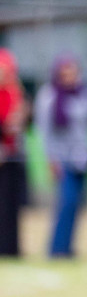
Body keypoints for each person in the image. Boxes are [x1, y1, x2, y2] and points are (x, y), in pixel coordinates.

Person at [36, 54, 87, 259]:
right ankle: (57, 249)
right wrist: (51, 159)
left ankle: (68, 247)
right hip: (61, 158)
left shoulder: (84, 93)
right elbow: (44, 132)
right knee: (65, 202)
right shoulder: (49, 96)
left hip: (81, 158)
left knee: (77, 205)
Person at [0, 48, 28, 257]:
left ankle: (10, 250)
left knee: (10, 208)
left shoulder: (16, 94)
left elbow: (21, 126)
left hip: (11, 160)